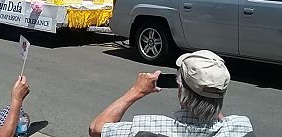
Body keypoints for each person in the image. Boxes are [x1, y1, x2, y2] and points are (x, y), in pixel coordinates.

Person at [89, 50, 253, 137]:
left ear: (180, 89)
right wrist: (210, 98)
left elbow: (96, 129)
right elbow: (223, 122)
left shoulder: (149, 128)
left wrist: (136, 91)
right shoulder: (240, 127)